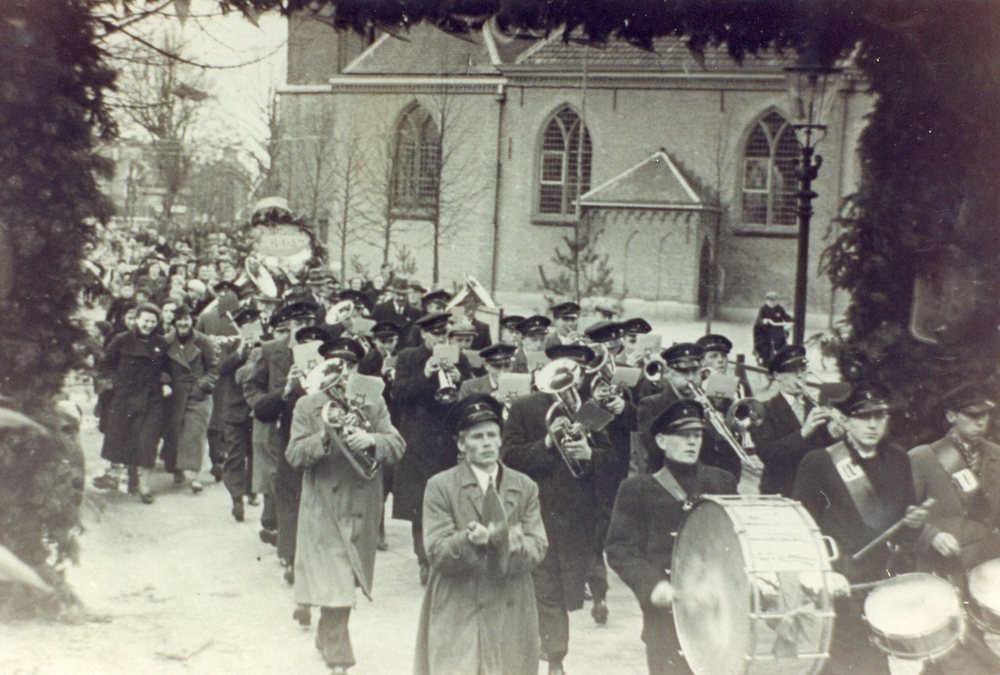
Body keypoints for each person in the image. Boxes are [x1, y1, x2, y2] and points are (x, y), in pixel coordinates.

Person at [792, 381, 929, 675]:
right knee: (848, 663)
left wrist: (914, 524)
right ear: (846, 420)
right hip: (843, 581)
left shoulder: (898, 458)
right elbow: (801, 528)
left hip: (888, 577)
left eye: (879, 416)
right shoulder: (819, 462)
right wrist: (824, 573)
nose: (872, 425)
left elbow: (906, 523)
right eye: (863, 417)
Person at [286, 337, 405, 673]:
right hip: (324, 502)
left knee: (347, 576)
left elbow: (397, 445)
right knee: (336, 573)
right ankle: (339, 651)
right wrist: (324, 437)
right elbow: (294, 454)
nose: (344, 374)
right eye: (336, 366)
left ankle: (326, 633)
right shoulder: (308, 405)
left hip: (362, 500)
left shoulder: (373, 402)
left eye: (351, 366)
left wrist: (372, 439)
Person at [502, 343, 621, 675]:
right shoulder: (525, 407)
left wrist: (590, 455)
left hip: (575, 514)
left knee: (557, 586)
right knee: (544, 586)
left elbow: (613, 462)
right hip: (535, 509)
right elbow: (508, 457)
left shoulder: (590, 410)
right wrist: (545, 443)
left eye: (576, 369)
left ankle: (553, 653)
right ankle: (555, 659)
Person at [414, 395, 548, 675]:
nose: (487, 443)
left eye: (492, 435)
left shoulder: (525, 486)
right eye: (477, 437)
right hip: (458, 604)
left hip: (510, 606)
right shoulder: (440, 486)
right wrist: (468, 541)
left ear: (500, 440)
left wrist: (510, 542)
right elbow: (436, 550)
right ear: (461, 444)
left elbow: (538, 545)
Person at [605, 399, 737, 675]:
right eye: (683, 435)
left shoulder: (722, 482)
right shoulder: (637, 489)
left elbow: (736, 540)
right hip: (665, 614)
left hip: (717, 609)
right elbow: (619, 548)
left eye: (697, 434)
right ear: (662, 441)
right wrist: (652, 585)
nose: (692, 442)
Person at [241, 301, 322, 582]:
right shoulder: (270, 350)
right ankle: (290, 556)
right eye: (299, 324)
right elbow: (252, 390)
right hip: (281, 431)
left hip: (316, 429)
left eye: (309, 324)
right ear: (289, 326)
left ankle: (309, 552)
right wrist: (282, 393)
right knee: (288, 494)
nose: (304, 330)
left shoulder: (324, 350)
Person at [391, 312, 467, 585]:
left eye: (445, 334)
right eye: (436, 333)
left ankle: (441, 554)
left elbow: (466, 394)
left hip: (446, 438)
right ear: (424, 334)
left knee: (446, 500)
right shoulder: (408, 358)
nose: (441, 338)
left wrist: (459, 378)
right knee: (419, 503)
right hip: (419, 439)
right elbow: (398, 394)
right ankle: (424, 558)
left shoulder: (458, 357)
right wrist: (425, 375)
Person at [910, 382, 1000, 572]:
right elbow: (901, 516)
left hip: (990, 565)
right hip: (944, 566)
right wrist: (931, 536)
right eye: (972, 415)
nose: (981, 422)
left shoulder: (997, 455)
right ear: (951, 416)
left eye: (985, 414)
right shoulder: (922, 458)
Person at [95, 303, 171, 503]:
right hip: (126, 397)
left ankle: (145, 486)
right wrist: (116, 382)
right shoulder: (121, 340)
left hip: (152, 398)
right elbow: (104, 363)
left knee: (148, 441)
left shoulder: (161, 342)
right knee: (126, 438)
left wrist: (165, 381)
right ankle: (130, 477)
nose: (149, 325)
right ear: (136, 320)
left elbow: (166, 367)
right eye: (145, 321)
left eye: (153, 322)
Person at [752, 345, 840, 496]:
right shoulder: (764, 410)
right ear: (777, 375)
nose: (800, 376)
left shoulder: (816, 408)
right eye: (793, 370)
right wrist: (803, 433)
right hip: (780, 490)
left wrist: (835, 433)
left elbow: (826, 452)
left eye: (803, 369)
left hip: (814, 490)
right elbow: (768, 454)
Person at [162, 305, 218, 493]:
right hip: (174, 395)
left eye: (186, 319)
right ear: (174, 322)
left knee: (195, 434)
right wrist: (165, 382)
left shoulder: (203, 341)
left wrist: (202, 385)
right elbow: (161, 367)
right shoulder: (167, 341)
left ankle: (195, 476)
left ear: (192, 321)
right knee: (174, 433)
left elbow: (213, 368)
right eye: (179, 319)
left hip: (198, 395)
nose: (183, 323)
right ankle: (176, 469)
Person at [219, 307, 262, 522]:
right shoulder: (230, 345)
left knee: (255, 454)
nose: (251, 329)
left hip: (257, 409)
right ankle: (237, 498)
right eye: (246, 325)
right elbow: (221, 368)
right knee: (235, 456)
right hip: (234, 409)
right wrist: (240, 350)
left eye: (254, 324)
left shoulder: (267, 346)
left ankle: (252, 489)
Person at [753, 291, 792, 366]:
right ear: (766, 301)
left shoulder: (779, 308)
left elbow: (786, 317)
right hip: (764, 331)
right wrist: (764, 320)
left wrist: (791, 322)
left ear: (777, 301)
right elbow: (759, 318)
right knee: (764, 345)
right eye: (770, 301)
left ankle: (781, 360)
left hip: (776, 330)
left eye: (774, 301)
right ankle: (764, 360)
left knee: (782, 344)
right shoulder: (763, 308)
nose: (772, 303)